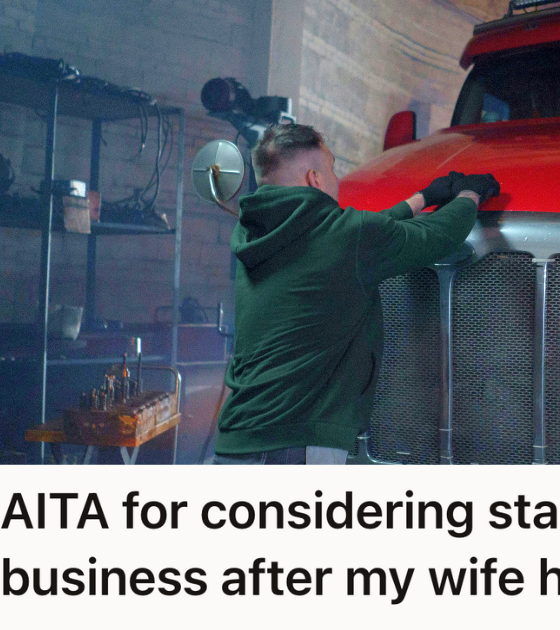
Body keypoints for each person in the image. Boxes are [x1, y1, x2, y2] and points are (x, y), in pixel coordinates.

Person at [211, 123, 500, 465]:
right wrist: (469, 195)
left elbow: (356, 236)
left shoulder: (254, 235)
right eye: (332, 168)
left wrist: (422, 198)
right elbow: (437, 236)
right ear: (314, 179)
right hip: (296, 445)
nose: (336, 179)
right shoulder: (345, 237)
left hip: (234, 442)